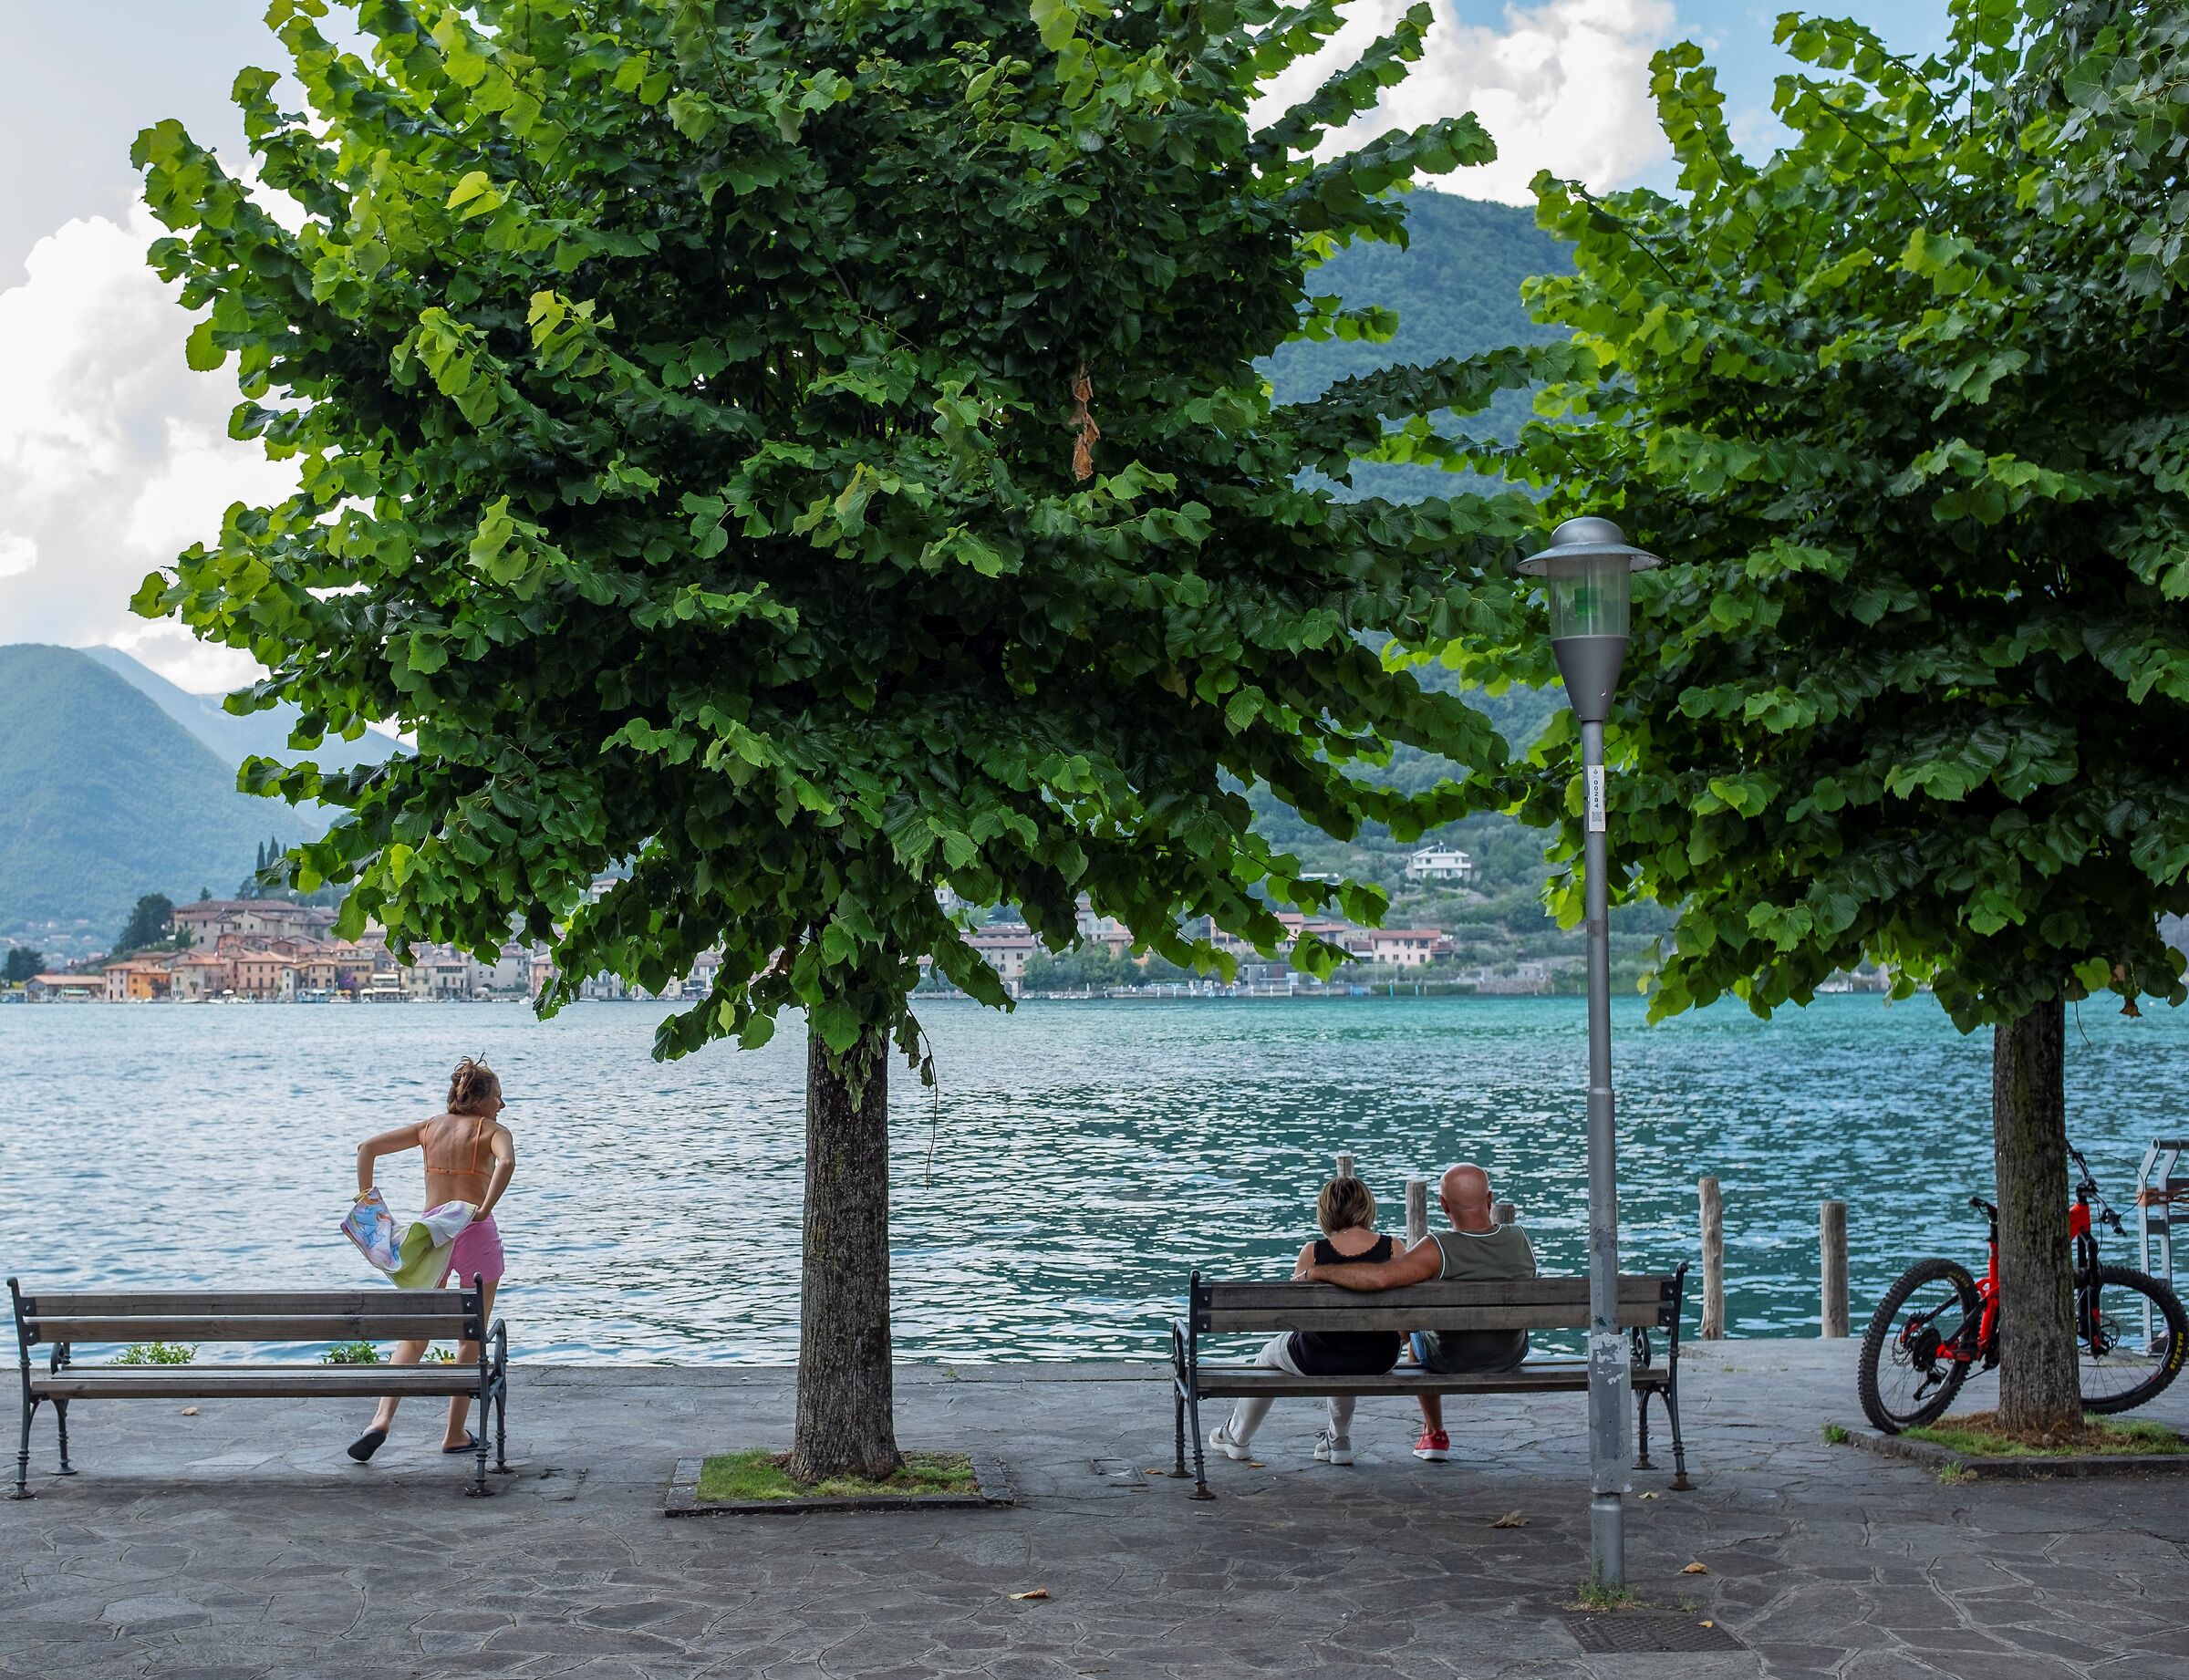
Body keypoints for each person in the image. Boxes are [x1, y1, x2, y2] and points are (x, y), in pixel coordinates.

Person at [1295, 1162, 1535, 1463]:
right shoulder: (1519, 1238)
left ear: (1443, 1205)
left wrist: (1319, 1272)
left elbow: (1380, 1278)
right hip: (1510, 1356)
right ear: (1490, 1199)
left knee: (1417, 1332)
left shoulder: (1437, 1247)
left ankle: (1434, 1433)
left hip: (1451, 1359)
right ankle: (1431, 1432)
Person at [346, 1057, 516, 1462]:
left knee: (415, 1335)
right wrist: (484, 1208)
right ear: (479, 1099)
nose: (503, 1104)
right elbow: (506, 1162)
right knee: (470, 1338)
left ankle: (381, 1419)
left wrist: (370, 1207)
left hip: (430, 1236)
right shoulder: (493, 1131)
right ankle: (455, 1433)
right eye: (497, 1096)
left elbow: (367, 1148)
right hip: (474, 1232)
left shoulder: (429, 1128)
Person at [1205, 1175, 1400, 1467]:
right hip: (1380, 1357)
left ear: (1326, 1210)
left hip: (1318, 1358)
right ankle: (1338, 1439)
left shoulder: (1313, 1252)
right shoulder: (1395, 1247)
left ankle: (1237, 1435)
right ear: (1367, 1207)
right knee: (1345, 1348)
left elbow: (1294, 1319)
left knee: (1269, 1355)